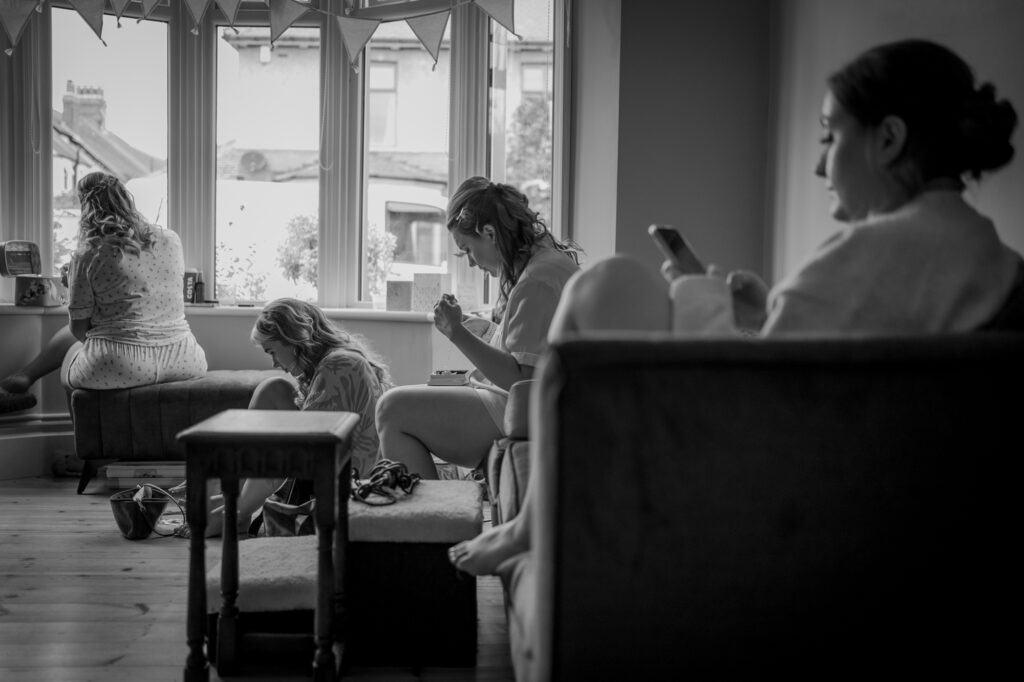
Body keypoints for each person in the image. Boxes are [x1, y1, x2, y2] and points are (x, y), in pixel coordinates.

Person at [447, 38, 1022, 575]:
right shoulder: (991, 260)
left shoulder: (874, 252)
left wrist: (700, 300)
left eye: (829, 136)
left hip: (758, 481)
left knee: (609, 285)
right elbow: (841, 373)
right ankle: (535, 517)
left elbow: (746, 402)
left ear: (888, 139)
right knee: (617, 289)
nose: (820, 165)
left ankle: (539, 517)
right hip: (838, 469)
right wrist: (763, 314)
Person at [375, 177, 582, 480]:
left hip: (519, 412)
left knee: (391, 408)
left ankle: (434, 511)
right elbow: (530, 353)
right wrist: (490, 332)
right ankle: (429, 505)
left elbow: (520, 379)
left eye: (468, 249)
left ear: (489, 233)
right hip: (524, 406)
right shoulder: (545, 265)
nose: (471, 263)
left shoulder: (537, 280)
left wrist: (456, 333)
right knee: (398, 405)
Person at [0, 171, 208, 415]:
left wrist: (74, 283)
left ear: (86, 207)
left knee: (74, 356)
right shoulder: (170, 239)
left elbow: (79, 330)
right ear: (125, 199)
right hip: (184, 357)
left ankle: (79, 436)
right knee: (99, 331)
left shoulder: (89, 252)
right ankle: (23, 376)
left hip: (121, 364)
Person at [204, 297, 393, 537]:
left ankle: (234, 514)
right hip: (333, 469)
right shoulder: (333, 362)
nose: (274, 362)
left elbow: (297, 453)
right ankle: (232, 506)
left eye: (272, 351)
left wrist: (239, 507)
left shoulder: (339, 366)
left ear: (293, 339)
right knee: (273, 390)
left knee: (273, 400)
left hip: (352, 487)